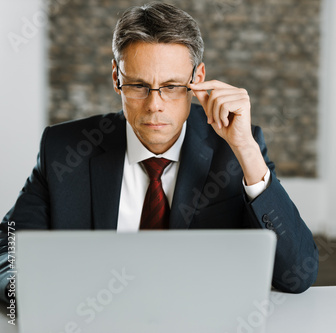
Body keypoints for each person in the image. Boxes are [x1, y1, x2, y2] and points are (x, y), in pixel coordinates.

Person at [0, 2, 318, 303]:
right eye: (138, 86)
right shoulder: (64, 149)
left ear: (198, 79)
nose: (154, 105)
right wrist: (31, 295)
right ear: (116, 78)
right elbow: (8, 247)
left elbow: (296, 275)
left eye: (171, 86)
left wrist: (246, 149)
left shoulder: (235, 151)